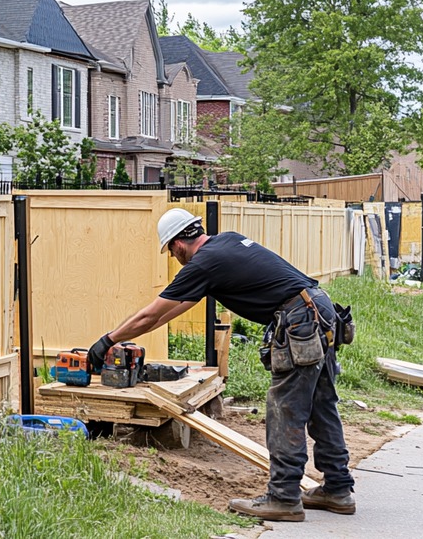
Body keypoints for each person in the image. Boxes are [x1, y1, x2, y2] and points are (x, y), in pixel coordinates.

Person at [87, 207, 354, 522]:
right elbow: (168, 311)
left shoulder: (203, 263)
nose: (174, 258)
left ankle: (283, 498)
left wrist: (108, 340)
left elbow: (150, 313)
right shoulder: (225, 243)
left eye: (170, 252)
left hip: (300, 320)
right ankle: (337, 488)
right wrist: (124, 337)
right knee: (322, 404)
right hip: (319, 311)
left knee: (285, 409)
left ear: (177, 243)